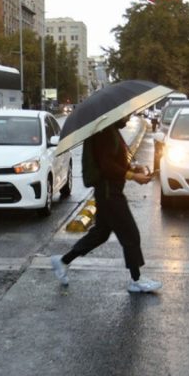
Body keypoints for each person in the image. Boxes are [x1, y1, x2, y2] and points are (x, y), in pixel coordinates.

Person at [50, 116, 162, 293]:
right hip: (109, 192)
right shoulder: (104, 133)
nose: (128, 118)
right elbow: (107, 166)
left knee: (100, 234)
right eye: (126, 114)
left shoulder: (111, 131)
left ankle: (63, 261)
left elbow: (116, 161)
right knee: (130, 233)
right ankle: (136, 280)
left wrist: (134, 169)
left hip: (109, 190)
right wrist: (133, 176)